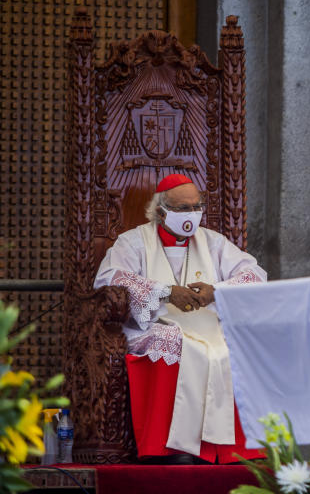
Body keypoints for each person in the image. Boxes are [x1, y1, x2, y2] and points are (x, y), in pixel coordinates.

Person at [94, 173, 267, 463]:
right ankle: (172, 448)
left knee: (236, 347)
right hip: (155, 325)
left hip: (207, 325)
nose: (191, 215)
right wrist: (164, 292)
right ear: (161, 211)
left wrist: (217, 291)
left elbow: (255, 275)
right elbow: (109, 279)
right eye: (182, 208)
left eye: (196, 207)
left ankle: (230, 449)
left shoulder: (213, 243)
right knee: (173, 341)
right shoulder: (133, 242)